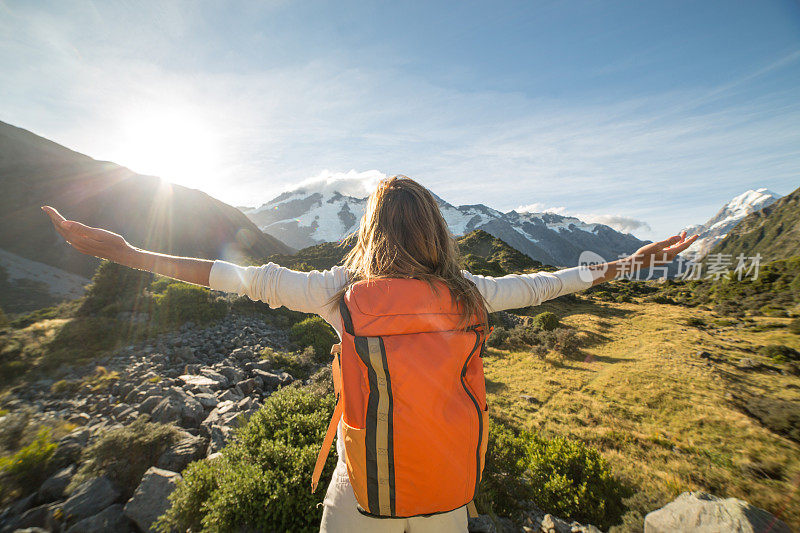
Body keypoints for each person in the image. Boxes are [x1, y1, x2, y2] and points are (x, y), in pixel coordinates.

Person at [42, 175, 698, 532]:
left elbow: (234, 276)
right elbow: (550, 284)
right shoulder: (473, 294)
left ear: (369, 231)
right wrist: (626, 263)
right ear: (436, 232)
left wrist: (128, 253)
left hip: (364, 487)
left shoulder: (338, 292)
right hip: (445, 488)